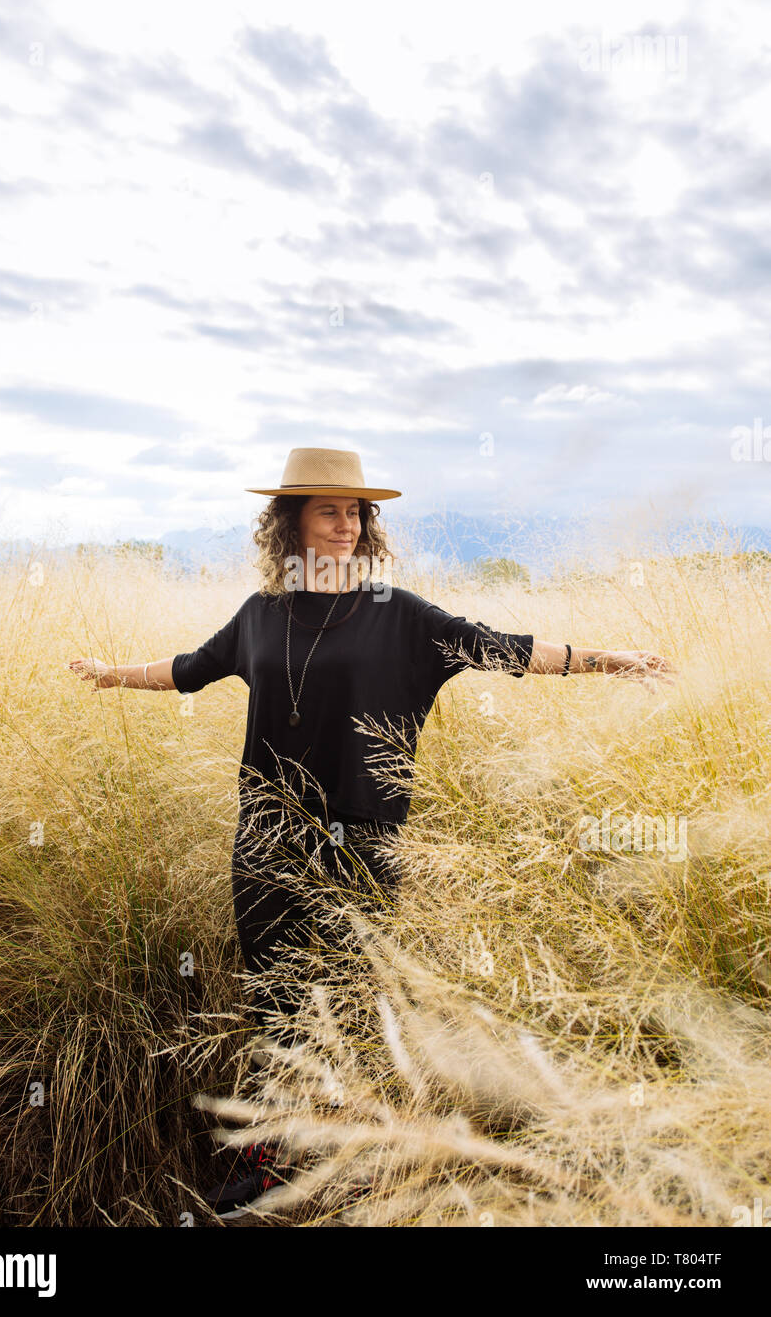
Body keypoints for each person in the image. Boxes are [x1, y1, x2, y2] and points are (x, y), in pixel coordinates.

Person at [68, 446, 676, 1217]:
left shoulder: (402, 616)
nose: (348, 524)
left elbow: (508, 649)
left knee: (351, 1004)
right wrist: (110, 674)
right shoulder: (261, 614)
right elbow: (187, 668)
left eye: (357, 511)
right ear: (290, 523)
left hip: (361, 845)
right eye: (330, 510)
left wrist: (610, 661)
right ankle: (272, 1160)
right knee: (277, 1005)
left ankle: (360, 1160)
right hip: (264, 841)